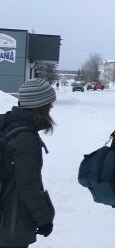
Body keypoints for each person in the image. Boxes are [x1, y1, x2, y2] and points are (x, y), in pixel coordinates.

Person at [0, 79, 55, 248]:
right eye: (49, 103)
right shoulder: (25, 138)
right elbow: (28, 184)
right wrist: (44, 219)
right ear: (39, 105)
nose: (51, 107)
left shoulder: (7, 124)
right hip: (11, 219)